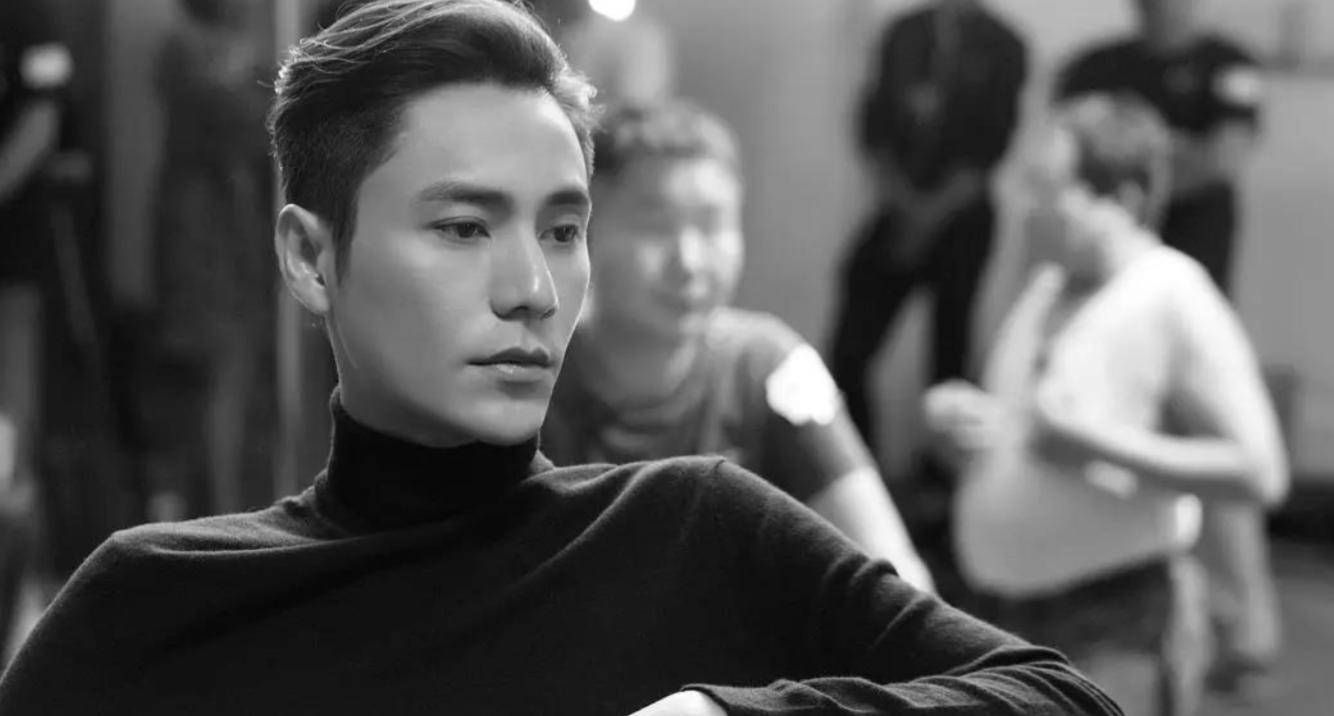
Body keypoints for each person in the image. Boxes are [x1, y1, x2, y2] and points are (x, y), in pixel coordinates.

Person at [0, 2, 1121, 713]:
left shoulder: (694, 529)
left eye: (562, 227)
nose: (532, 288)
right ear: (309, 256)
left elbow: (1061, 697)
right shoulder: (160, 600)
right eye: (461, 227)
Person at [926, 93, 1287, 716]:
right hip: (1010, 628)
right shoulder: (1044, 288)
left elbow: (1258, 471)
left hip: (1118, 628)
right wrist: (966, 429)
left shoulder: (1172, 294)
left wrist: (1097, 445)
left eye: (1050, 189)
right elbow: (1029, 434)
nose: (1029, 208)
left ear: (1124, 199)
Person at [542, 100, 932, 592]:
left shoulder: (768, 367)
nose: (689, 262)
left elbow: (898, 577)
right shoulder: (534, 370)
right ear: (585, 231)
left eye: (712, 225)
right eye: (655, 224)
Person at [1055, 0, 1277, 693]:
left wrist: (1134, 165)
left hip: (1193, 278)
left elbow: (1222, 160)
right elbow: (1066, 152)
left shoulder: (1228, 66)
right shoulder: (1097, 66)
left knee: (1209, 441)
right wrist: (1165, 155)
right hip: (1101, 297)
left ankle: (1248, 627)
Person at [828, 0, 1027, 458]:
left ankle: (941, 479)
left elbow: (994, 142)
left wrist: (931, 214)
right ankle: (850, 463)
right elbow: (873, 121)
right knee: (850, 349)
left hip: (963, 215)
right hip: (897, 204)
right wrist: (902, 200)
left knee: (949, 355)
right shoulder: (905, 33)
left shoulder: (1003, 45)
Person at [147, 0, 277, 519]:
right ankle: (218, 516)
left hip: (229, 240)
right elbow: (243, 124)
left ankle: (224, 510)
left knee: (233, 382)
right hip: (207, 243)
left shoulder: (219, 54)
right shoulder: (185, 50)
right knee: (218, 380)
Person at [0, 0, 72, 664]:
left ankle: (26, 618)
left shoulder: (29, 16)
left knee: (13, 452)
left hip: (12, 270)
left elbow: (42, 123)